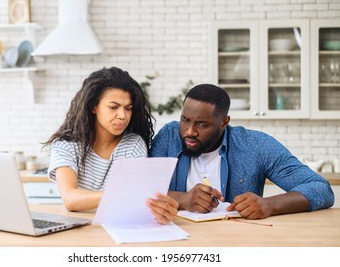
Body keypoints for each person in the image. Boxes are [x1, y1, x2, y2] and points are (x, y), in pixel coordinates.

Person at [149, 84, 334, 219]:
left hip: (239, 240)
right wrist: (184, 199)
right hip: (179, 240)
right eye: (185, 119)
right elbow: (141, 190)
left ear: (224, 122)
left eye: (202, 124)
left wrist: (270, 205)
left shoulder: (255, 145)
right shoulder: (168, 137)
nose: (189, 131)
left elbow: (321, 189)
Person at [43, 67, 178, 224]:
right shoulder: (66, 144)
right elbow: (70, 199)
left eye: (128, 108)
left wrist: (159, 209)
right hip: (77, 229)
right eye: (113, 107)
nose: (122, 115)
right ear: (94, 106)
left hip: (118, 226)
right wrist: (121, 194)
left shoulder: (133, 144)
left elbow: (137, 200)